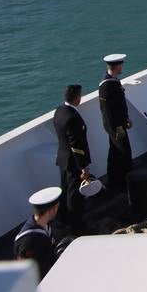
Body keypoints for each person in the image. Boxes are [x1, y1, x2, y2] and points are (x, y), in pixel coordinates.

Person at [53, 85, 90, 235]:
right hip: (73, 161)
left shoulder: (59, 111)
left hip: (62, 158)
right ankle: (77, 226)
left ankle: (64, 220)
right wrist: (83, 167)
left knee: (65, 189)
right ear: (76, 98)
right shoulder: (72, 117)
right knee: (74, 195)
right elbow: (76, 145)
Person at [98, 54, 132, 191]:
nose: (121, 67)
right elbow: (107, 111)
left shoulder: (113, 81)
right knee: (124, 153)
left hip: (119, 124)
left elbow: (119, 106)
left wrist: (126, 119)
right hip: (115, 127)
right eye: (120, 65)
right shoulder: (107, 86)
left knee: (115, 152)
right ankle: (125, 182)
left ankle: (114, 181)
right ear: (117, 66)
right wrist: (118, 127)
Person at [13, 186, 62, 280]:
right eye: (57, 208)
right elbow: (26, 274)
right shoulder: (29, 240)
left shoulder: (45, 226)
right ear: (51, 210)